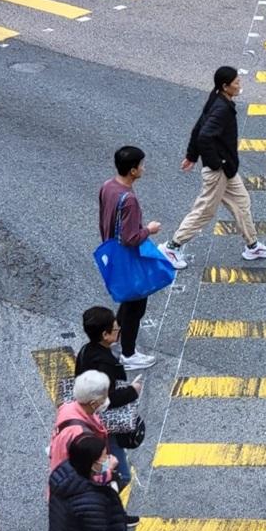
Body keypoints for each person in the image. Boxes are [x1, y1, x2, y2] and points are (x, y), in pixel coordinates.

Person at [44, 371, 156, 531]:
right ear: (94, 401)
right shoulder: (78, 435)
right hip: (76, 498)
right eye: (105, 394)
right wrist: (108, 472)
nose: (108, 398)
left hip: (67, 494)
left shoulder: (70, 408)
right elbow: (85, 470)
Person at [162, 66, 266, 270]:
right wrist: (217, 163)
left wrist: (192, 155)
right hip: (219, 171)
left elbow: (199, 126)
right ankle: (172, 247)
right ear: (225, 86)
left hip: (227, 170)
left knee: (242, 203)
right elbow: (204, 135)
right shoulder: (222, 108)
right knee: (204, 210)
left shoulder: (217, 98)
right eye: (236, 82)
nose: (239, 85)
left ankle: (253, 245)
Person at [99, 146, 162, 370]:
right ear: (133, 171)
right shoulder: (129, 200)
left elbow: (104, 220)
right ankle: (128, 354)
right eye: (142, 165)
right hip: (129, 258)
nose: (144, 168)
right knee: (136, 307)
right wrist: (150, 230)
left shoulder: (107, 187)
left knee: (127, 302)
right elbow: (130, 237)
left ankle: (115, 338)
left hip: (112, 252)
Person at [76, 307, 144, 493]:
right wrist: (132, 391)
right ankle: (103, 508)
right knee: (122, 475)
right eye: (115, 329)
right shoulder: (103, 363)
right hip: (103, 425)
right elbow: (106, 399)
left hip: (91, 420)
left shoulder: (86, 351)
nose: (119, 330)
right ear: (105, 335)